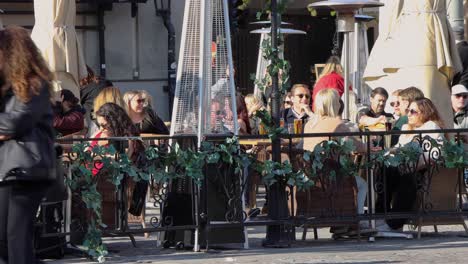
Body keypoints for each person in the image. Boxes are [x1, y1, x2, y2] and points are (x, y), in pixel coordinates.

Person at [0, 26, 55, 264]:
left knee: (17, 236)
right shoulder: (6, 86)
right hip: (6, 169)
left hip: (28, 168)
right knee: (4, 237)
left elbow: (14, 123)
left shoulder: (34, 84)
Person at [377, 98, 445, 232]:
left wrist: (413, 166)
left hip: (422, 171)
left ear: (424, 113)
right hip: (404, 168)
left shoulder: (431, 126)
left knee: (407, 177)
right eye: (408, 110)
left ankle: (394, 223)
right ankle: (381, 215)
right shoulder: (407, 128)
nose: (408, 114)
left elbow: (435, 154)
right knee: (386, 169)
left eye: (412, 111)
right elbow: (397, 148)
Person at [302, 89, 368, 228]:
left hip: (311, 175)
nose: (340, 103)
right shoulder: (337, 124)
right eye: (338, 100)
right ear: (334, 104)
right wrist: (369, 146)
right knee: (362, 184)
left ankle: (343, 223)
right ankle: (359, 221)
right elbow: (358, 147)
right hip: (330, 177)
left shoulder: (309, 124)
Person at [79, 65, 113, 131]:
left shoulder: (87, 89)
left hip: (94, 123)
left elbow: (76, 100)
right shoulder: (104, 83)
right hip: (110, 119)